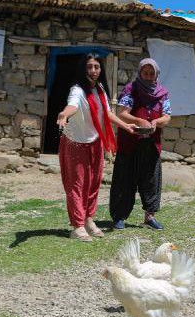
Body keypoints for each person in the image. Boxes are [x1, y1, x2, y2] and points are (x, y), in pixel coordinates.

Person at [56, 53, 136, 242]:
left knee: (93, 184)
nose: (93, 70)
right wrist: (64, 115)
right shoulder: (77, 90)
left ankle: (88, 219)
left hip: (95, 142)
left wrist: (125, 126)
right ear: (83, 69)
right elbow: (72, 106)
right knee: (77, 185)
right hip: (76, 143)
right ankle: (77, 226)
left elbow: (107, 113)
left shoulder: (100, 89)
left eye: (96, 67)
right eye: (89, 67)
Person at [109, 58, 171, 230]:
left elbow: (167, 116)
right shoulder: (131, 89)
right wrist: (138, 120)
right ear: (140, 73)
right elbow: (122, 113)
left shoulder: (162, 93)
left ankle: (149, 216)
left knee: (151, 179)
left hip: (151, 143)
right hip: (130, 142)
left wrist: (156, 122)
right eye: (146, 73)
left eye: (152, 73)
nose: (149, 76)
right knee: (125, 179)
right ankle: (119, 216)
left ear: (156, 74)